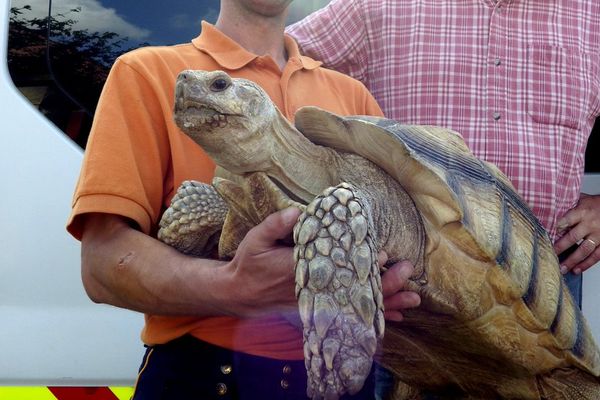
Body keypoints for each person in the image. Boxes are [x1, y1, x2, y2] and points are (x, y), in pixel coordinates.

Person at [66, 0, 421, 399]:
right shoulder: (146, 72)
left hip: (347, 370)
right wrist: (234, 288)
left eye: (219, 85)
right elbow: (102, 265)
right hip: (202, 372)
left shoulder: (350, 94)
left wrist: (374, 284)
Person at [287, 0, 600, 307]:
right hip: (408, 290)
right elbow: (271, 65)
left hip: (547, 295)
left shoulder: (590, 13)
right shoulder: (376, 6)